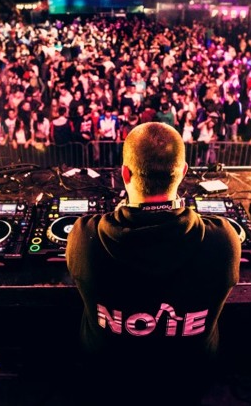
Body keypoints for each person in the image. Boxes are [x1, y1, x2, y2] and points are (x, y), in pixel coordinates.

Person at [66, 122, 241, 405]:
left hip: (109, 374)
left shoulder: (85, 237)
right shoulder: (224, 241)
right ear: (183, 172)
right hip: (188, 377)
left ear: (124, 173)